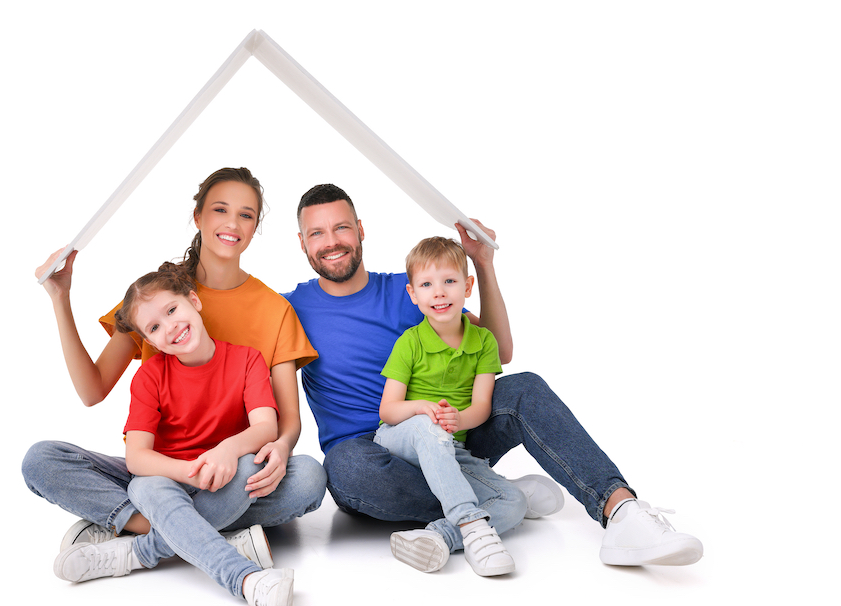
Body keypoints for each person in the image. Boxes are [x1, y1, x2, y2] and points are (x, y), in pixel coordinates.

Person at [283, 183, 703, 567]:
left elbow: (498, 350)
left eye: (341, 227)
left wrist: (483, 265)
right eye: (317, 233)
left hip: (451, 434)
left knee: (524, 388)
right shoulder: (289, 309)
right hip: (373, 460)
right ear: (302, 243)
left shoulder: (412, 288)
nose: (331, 241)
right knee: (345, 468)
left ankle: (621, 510)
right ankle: (500, 494)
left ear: (360, 230)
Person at [23, 168, 326, 578]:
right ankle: (208, 537)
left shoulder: (275, 310)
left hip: (233, 470)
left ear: (256, 226)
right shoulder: (155, 296)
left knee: (308, 477)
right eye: (220, 209)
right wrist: (61, 298)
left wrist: (281, 449)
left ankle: (143, 539)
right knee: (43, 461)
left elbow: (284, 423)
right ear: (198, 216)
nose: (232, 224)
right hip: (160, 471)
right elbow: (92, 391)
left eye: (246, 215)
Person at [54, 262, 297, 606]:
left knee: (299, 475)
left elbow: (266, 427)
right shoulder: (150, 376)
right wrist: (188, 472)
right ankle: (246, 578)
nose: (170, 327)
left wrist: (227, 450)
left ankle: (139, 551)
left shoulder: (247, 359)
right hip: (166, 479)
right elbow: (137, 458)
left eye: (172, 310)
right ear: (149, 342)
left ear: (194, 302)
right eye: (154, 327)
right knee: (51, 461)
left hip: (225, 479)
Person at [376, 236, 518, 577]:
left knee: (515, 502)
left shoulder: (483, 341)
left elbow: (481, 406)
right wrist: (421, 407)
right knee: (428, 427)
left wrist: (458, 419)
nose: (438, 293)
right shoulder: (409, 342)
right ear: (413, 294)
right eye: (426, 284)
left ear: (467, 287)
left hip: (450, 446)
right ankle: (471, 524)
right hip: (400, 436)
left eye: (449, 281)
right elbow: (388, 411)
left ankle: (439, 536)